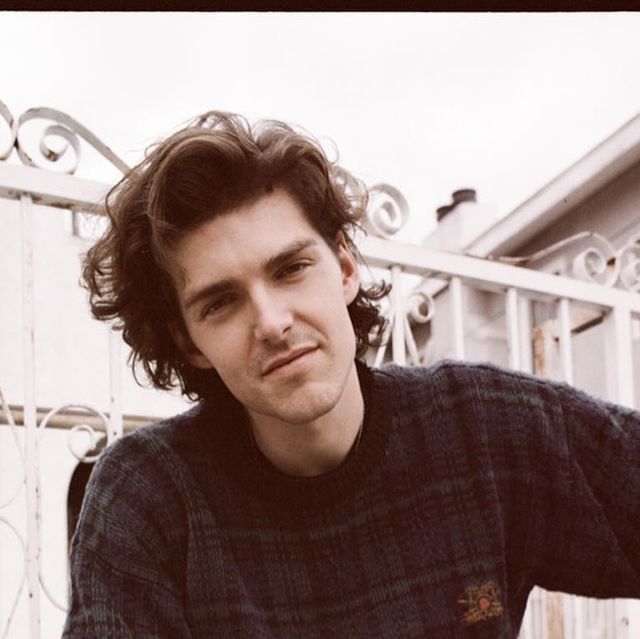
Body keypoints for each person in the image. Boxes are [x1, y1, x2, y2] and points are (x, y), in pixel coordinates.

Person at [63, 111, 640, 638]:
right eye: (221, 302)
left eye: (291, 269)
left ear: (343, 268)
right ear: (189, 342)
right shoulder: (149, 498)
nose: (271, 322)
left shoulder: (478, 426)